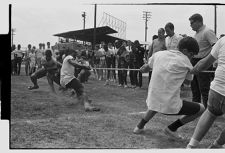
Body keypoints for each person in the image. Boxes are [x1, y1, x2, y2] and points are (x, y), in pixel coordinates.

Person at [133, 37, 205, 141]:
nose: (191, 57)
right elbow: (187, 83)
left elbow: (146, 67)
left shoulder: (159, 54)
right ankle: (172, 128)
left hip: (152, 100)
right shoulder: (187, 63)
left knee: (157, 101)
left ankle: (139, 127)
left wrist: (145, 67)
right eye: (191, 54)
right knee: (201, 108)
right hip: (170, 106)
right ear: (185, 51)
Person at [186, 36, 225, 149]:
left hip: (217, 89)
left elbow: (204, 62)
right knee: (210, 112)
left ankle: (191, 146)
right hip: (218, 88)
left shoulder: (222, 41)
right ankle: (216, 145)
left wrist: (191, 71)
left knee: (210, 113)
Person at [189, 13, 218, 108]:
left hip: (204, 62)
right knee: (195, 88)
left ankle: (207, 110)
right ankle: (195, 109)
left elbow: (216, 48)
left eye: (192, 23)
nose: (190, 25)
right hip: (194, 61)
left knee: (204, 88)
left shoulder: (207, 31)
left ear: (198, 22)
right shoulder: (196, 33)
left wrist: (207, 60)